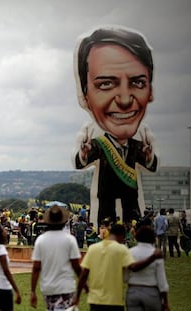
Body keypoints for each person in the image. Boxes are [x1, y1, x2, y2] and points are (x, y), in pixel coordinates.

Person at [73, 26, 158, 226]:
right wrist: (84, 153)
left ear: (150, 91)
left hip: (130, 194)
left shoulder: (138, 144)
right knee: (105, 221)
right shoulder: (98, 142)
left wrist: (148, 156)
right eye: (105, 84)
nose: (125, 100)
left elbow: (149, 164)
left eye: (137, 83)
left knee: (133, 219)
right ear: (85, 94)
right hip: (106, 194)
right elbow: (80, 162)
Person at [73, 224, 162, 310]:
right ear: (122, 235)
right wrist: (152, 257)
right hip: (114, 300)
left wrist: (78, 296)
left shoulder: (93, 248)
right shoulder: (121, 249)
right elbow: (134, 267)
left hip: (95, 300)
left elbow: (84, 274)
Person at [30, 205, 83, 311]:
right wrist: (84, 284)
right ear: (64, 222)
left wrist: (33, 291)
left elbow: (36, 268)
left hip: (48, 288)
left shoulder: (41, 240)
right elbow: (76, 266)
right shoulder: (70, 240)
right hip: (66, 287)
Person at [125, 226, 170, 311]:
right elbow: (162, 280)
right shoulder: (156, 253)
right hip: (151, 291)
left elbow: (125, 277)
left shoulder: (130, 252)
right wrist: (166, 302)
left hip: (133, 291)